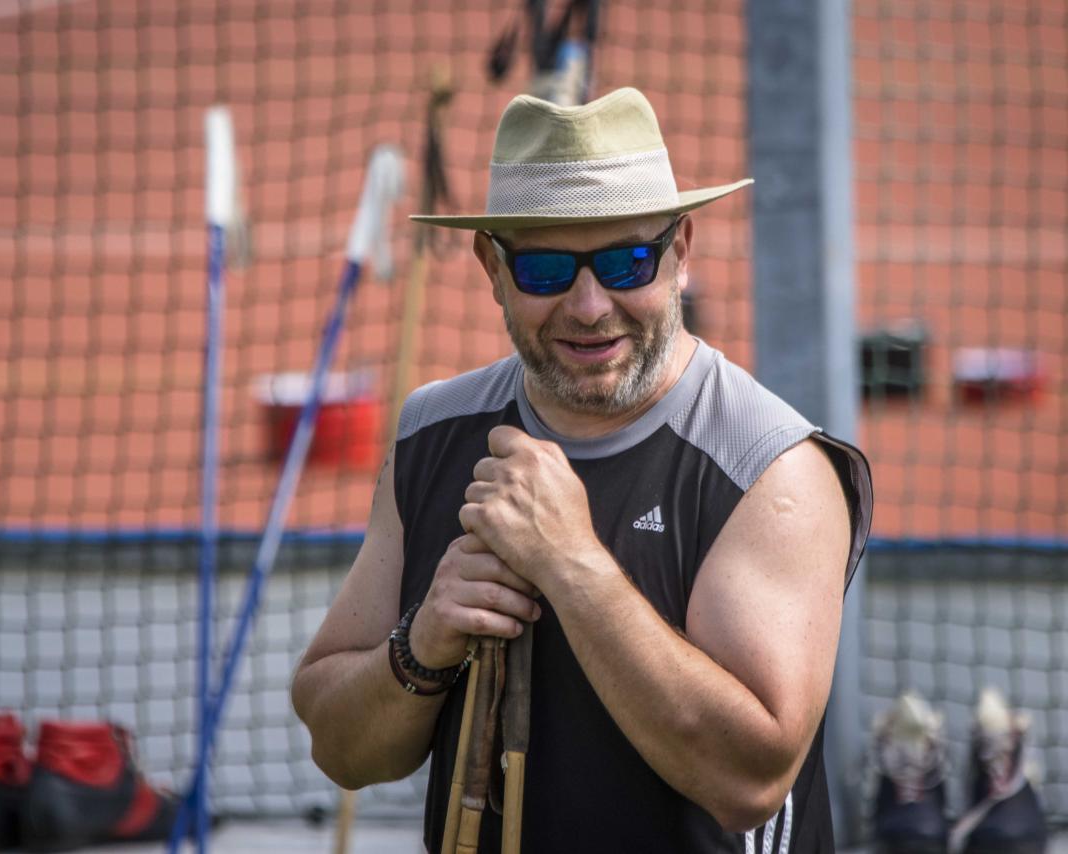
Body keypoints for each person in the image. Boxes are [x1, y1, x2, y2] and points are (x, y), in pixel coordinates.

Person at [291, 87, 872, 854]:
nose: (591, 306)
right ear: (492, 268)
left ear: (681, 252)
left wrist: (569, 562)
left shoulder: (770, 467)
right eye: (545, 270)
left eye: (628, 262)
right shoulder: (432, 433)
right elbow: (339, 748)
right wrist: (421, 642)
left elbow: (748, 782)